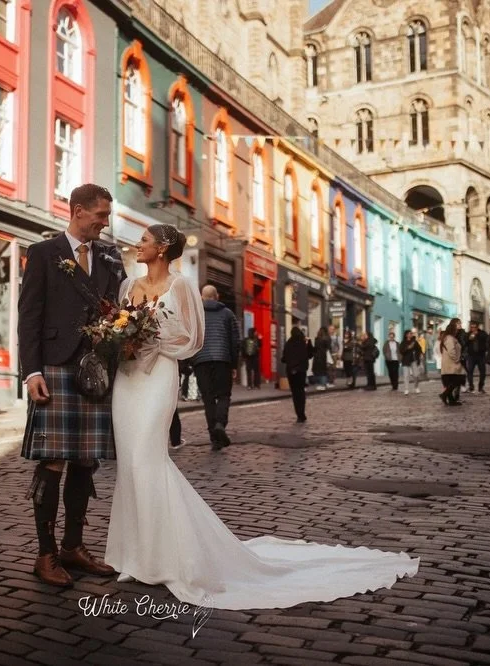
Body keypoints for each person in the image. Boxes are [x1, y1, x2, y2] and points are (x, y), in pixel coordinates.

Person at [105, 223, 419, 610]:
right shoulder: (128, 287)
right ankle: (133, 556)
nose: (139, 245)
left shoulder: (182, 285)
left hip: (158, 377)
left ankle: (162, 557)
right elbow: (117, 328)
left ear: (164, 247)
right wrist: (121, 337)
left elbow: (192, 340)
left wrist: (151, 340)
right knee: (129, 464)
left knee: (147, 458)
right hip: (129, 379)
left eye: (145, 240)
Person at [17, 183, 124, 587]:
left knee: (86, 460)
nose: (105, 222)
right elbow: (29, 316)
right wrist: (31, 372)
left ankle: (73, 546)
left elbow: (119, 312)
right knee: (54, 460)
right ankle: (45, 555)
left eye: (107, 215)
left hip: (96, 371)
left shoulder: (112, 258)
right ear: (78, 211)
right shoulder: (44, 253)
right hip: (56, 367)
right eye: (100, 215)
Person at [191, 284, 241, 451]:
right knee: (224, 395)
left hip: (201, 361)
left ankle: (214, 437)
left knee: (208, 399)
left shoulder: (195, 314)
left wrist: (190, 361)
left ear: (202, 297)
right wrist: (234, 364)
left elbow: (190, 338)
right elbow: (235, 341)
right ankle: (220, 423)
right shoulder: (228, 314)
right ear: (217, 296)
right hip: (222, 360)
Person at [281, 327, 311, 423]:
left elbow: (284, 358)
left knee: (295, 393)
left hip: (291, 371)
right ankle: (302, 413)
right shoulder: (302, 343)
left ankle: (298, 413)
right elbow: (309, 355)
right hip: (301, 371)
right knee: (301, 392)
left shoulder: (288, 343)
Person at [439, 318, 465, 406]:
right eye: (458, 324)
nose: (460, 326)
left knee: (451, 382)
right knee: (458, 380)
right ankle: (444, 394)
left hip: (449, 364)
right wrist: (457, 359)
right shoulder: (450, 338)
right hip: (452, 364)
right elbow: (451, 351)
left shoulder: (449, 337)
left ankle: (451, 400)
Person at [464, 322, 488, 393]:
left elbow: (487, 340)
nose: (473, 329)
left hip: (481, 355)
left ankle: (481, 387)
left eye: (474, 327)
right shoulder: (468, 334)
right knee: (470, 371)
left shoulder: (482, 333)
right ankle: (471, 387)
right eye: (471, 327)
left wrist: (485, 349)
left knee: (483, 372)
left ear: (477, 327)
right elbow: (465, 343)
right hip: (471, 356)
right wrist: (469, 339)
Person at [400, 330, 423, 395]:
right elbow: (401, 351)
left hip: (413, 360)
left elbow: (419, 349)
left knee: (416, 375)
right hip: (406, 360)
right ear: (406, 335)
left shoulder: (414, 342)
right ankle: (406, 389)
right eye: (409, 333)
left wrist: (420, 354)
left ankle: (416, 387)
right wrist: (408, 347)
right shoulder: (403, 342)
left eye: (411, 333)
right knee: (406, 375)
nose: (410, 334)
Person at [312, 326, 330, 391]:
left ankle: (322, 384)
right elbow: (328, 347)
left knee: (320, 371)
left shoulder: (317, 339)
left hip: (317, 356)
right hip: (323, 356)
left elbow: (315, 348)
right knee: (323, 371)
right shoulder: (327, 339)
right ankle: (324, 384)